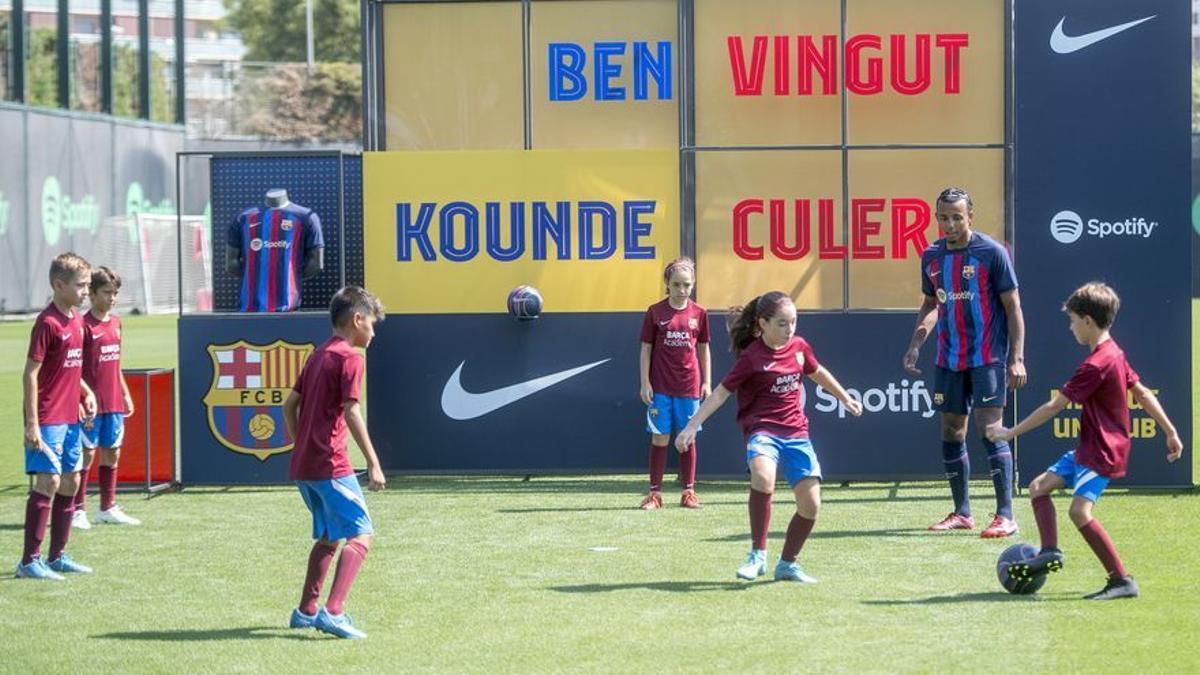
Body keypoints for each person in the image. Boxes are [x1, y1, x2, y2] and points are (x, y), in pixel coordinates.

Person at [987, 283, 1183, 600]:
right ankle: (1050, 551)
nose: (1071, 327)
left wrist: (1009, 433)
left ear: (1088, 321)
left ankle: (1121, 580)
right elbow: (1143, 393)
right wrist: (1170, 431)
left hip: (1103, 451)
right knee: (1039, 487)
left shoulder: (1096, 365)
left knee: (1079, 512)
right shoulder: (1114, 352)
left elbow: (1054, 407)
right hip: (1088, 448)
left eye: (1073, 320)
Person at [676, 292, 862, 582]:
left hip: (797, 433)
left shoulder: (799, 347)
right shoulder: (751, 357)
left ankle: (787, 563)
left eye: (794, 323)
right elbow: (721, 394)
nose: (790, 330)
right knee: (763, 477)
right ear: (762, 323)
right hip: (762, 430)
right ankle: (757, 555)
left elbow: (818, 372)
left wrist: (845, 398)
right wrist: (691, 426)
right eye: (782, 324)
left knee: (811, 505)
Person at [902, 187, 1026, 538]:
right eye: (944, 217)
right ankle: (962, 513)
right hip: (948, 358)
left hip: (987, 358)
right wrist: (915, 344)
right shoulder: (931, 256)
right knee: (951, 431)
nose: (951, 224)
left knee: (990, 430)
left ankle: (1005, 515)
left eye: (958, 216)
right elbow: (931, 305)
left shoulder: (991, 252)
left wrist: (1016, 358)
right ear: (936, 218)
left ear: (971, 215)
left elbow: (1013, 306)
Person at [283, 286, 387, 638]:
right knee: (362, 533)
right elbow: (352, 410)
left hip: (304, 466)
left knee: (328, 536)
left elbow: (288, 406)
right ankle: (334, 611)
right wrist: (373, 461)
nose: (373, 332)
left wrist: (302, 446)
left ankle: (306, 610)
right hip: (331, 464)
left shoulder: (317, 354)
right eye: (371, 324)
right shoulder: (349, 357)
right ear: (357, 320)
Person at [17, 252, 97, 579]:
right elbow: (31, 373)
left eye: (88, 285)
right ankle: (28, 561)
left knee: (71, 480)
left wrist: (85, 392)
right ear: (58, 284)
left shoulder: (77, 319)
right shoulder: (47, 322)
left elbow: (68, 367)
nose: (85, 291)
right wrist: (32, 423)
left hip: (70, 417)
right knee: (48, 481)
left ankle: (57, 556)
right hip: (48, 417)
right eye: (80, 285)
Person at [638, 257, 711, 509]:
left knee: (686, 439)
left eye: (687, 285)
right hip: (659, 388)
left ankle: (688, 493)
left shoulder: (699, 313)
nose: (682, 290)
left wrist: (707, 381)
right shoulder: (655, 312)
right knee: (660, 438)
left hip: (689, 387)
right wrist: (645, 382)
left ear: (693, 285)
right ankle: (654, 495)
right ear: (667, 284)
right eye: (677, 284)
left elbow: (703, 349)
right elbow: (646, 350)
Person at [75, 266, 140, 528]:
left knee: (112, 452)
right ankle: (77, 509)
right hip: (90, 403)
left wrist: (124, 393)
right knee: (87, 454)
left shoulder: (116, 322)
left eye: (115, 293)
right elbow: (73, 367)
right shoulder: (82, 325)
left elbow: (116, 362)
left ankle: (107, 507)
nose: (112, 298)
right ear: (91, 293)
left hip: (113, 401)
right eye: (106, 293)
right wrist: (80, 397)